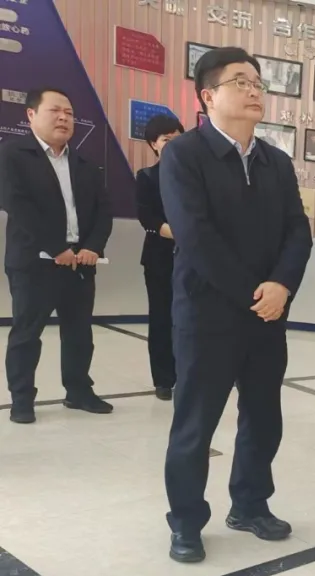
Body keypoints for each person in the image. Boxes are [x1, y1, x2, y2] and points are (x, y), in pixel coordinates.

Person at [160, 47, 313, 563]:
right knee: (195, 424)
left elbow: (298, 231)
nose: (253, 91)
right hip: (207, 315)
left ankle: (249, 504)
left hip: (268, 316)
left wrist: (282, 286)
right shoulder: (184, 155)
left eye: (257, 83)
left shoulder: (277, 162)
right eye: (240, 82)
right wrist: (257, 294)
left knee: (263, 418)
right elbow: (195, 236)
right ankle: (186, 522)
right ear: (208, 96)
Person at [0, 87, 114, 425]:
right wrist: (56, 248)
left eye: (69, 113)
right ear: (31, 114)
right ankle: (22, 399)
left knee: (79, 333)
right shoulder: (12, 154)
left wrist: (93, 246)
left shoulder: (85, 164)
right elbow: (17, 205)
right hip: (34, 262)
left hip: (79, 263)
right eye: (55, 111)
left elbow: (103, 211)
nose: (64, 118)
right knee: (26, 333)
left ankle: (78, 391)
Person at [136, 114, 185, 402]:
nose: (174, 144)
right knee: (162, 318)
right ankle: (164, 379)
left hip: (194, 259)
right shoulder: (146, 177)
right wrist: (183, 234)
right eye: (167, 140)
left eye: (178, 139)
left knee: (193, 319)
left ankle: (190, 373)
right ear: (153, 144)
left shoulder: (197, 177)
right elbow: (147, 217)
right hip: (160, 258)